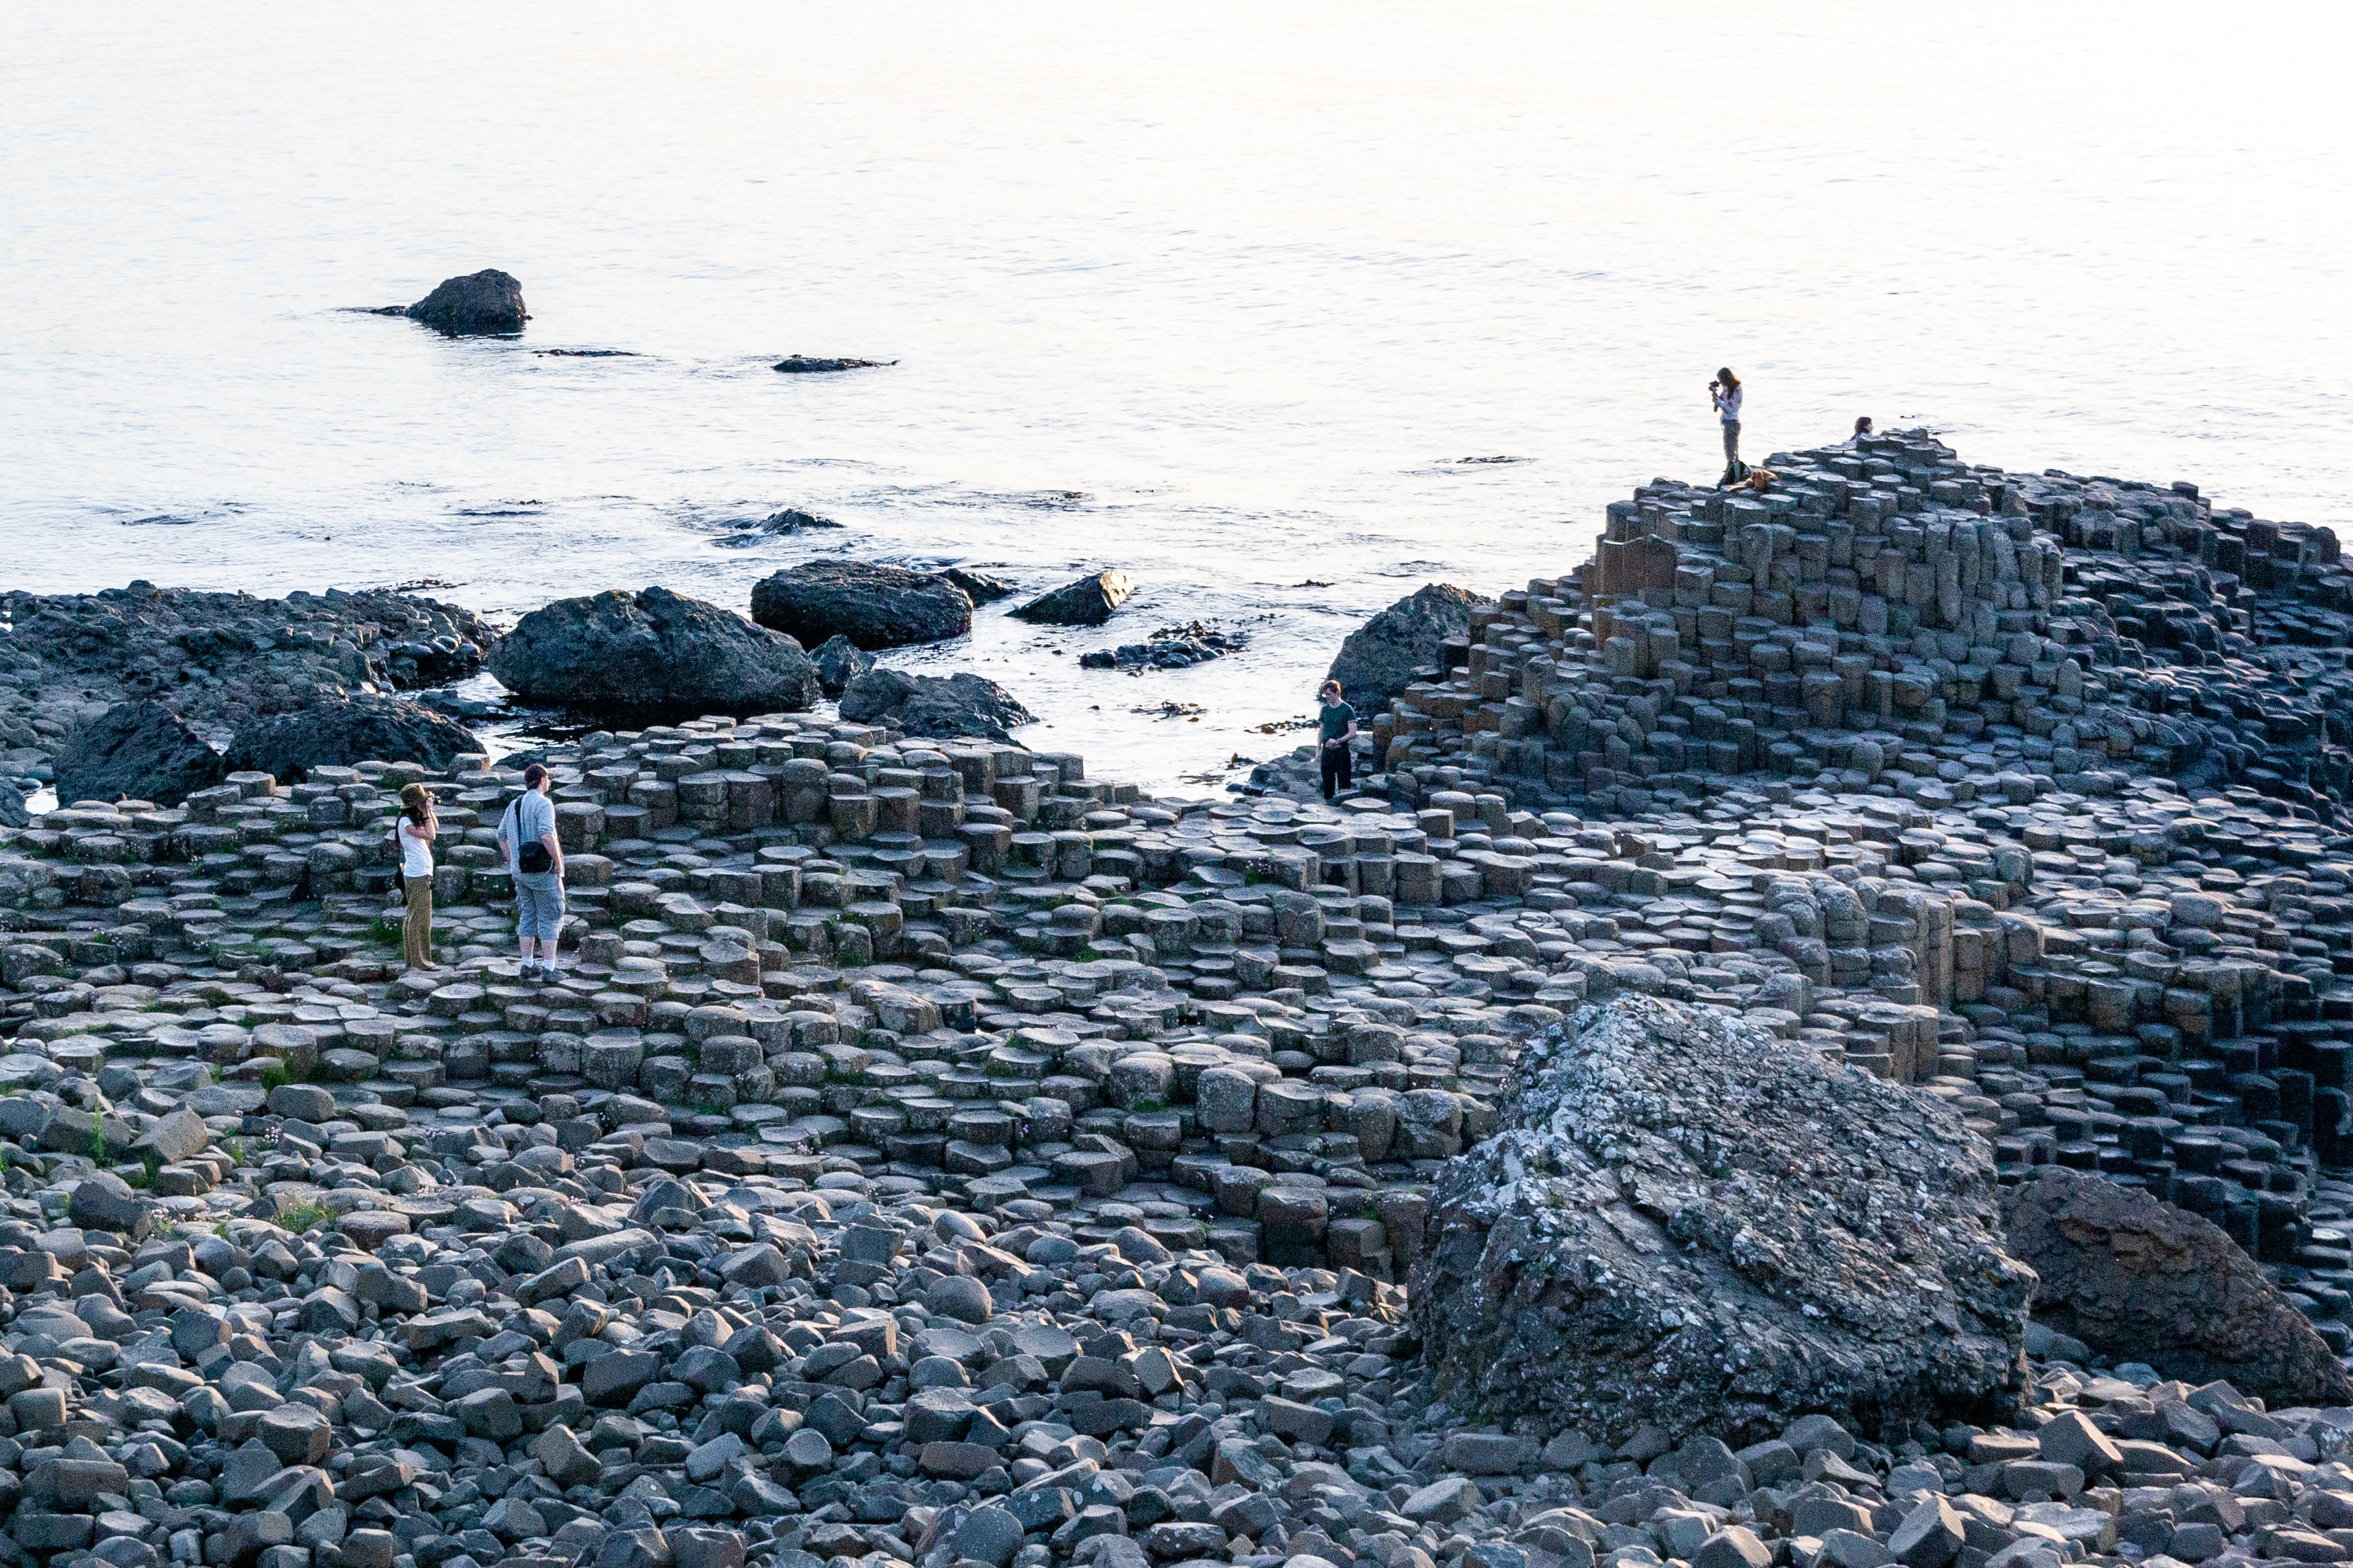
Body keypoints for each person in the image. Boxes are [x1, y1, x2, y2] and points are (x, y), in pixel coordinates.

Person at [496, 763, 566, 982]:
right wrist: (558, 862)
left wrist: (512, 860)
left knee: (527, 915)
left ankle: (527, 965)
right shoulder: (544, 804)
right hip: (542, 872)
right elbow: (546, 835)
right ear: (543, 780)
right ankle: (550, 969)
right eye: (548, 779)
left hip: (519, 872)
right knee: (550, 916)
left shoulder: (514, 804)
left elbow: (501, 835)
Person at [393, 783, 440, 972]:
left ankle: (415, 960)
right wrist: (427, 811)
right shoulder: (405, 822)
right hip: (417, 874)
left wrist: (429, 811)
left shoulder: (412, 818)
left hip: (420, 873)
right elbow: (431, 835)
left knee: (417, 917)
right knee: (418, 918)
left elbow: (435, 827)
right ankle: (420, 962)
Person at [1317, 679, 1357, 802]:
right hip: (1327, 751)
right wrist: (1318, 750)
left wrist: (1338, 741)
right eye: (1325, 695)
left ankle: (1345, 805)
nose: (1326, 697)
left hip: (1341, 751)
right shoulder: (1325, 710)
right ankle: (1328, 804)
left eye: (1329, 694)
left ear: (1336, 693)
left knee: (1344, 781)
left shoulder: (1347, 709)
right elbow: (1321, 730)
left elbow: (1353, 732)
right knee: (1327, 782)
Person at [1709, 367, 1744, 485]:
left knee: (1731, 451)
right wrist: (1714, 392)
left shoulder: (1736, 390)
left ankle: (1730, 476)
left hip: (1732, 422)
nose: (1720, 382)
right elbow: (1717, 406)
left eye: (1721, 379)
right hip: (1728, 422)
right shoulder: (1727, 389)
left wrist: (1718, 402)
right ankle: (1733, 475)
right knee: (1731, 449)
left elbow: (1731, 410)